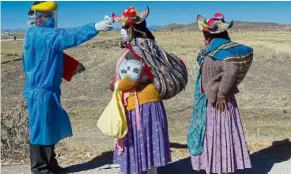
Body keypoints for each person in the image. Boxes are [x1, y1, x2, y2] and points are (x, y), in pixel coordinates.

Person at [22, 1, 113, 174]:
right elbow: (68, 36)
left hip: (44, 90)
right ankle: (40, 169)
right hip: (41, 91)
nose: (51, 18)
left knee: (49, 127)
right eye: (48, 14)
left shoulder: (35, 35)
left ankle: (50, 164)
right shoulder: (43, 35)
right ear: (39, 17)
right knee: (41, 130)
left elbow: (49, 55)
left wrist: (71, 66)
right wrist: (95, 26)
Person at [187, 13, 253, 174]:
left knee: (217, 134)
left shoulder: (219, 51)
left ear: (209, 34)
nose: (203, 36)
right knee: (217, 135)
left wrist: (222, 93)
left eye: (205, 33)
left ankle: (221, 168)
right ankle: (219, 166)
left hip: (218, 102)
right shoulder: (214, 50)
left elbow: (230, 70)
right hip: (215, 99)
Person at [109, 6, 171, 174]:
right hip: (152, 101)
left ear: (130, 28)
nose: (122, 31)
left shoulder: (136, 48)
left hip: (141, 105)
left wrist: (116, 86)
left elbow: (132, 79)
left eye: (123, 28)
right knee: (150, 145)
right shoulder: (150, 44)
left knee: (140, 142)